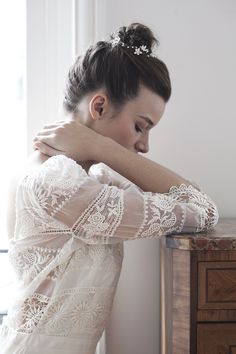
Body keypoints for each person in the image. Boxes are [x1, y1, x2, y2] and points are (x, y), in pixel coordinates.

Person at [0, 23, 219, 354]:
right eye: (139, 127)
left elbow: (199, 206)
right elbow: (203, 209)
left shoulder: (89, 180)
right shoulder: (59, 183)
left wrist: (99, 149)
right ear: (99, 107)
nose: (144, 145)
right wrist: (107, 149)